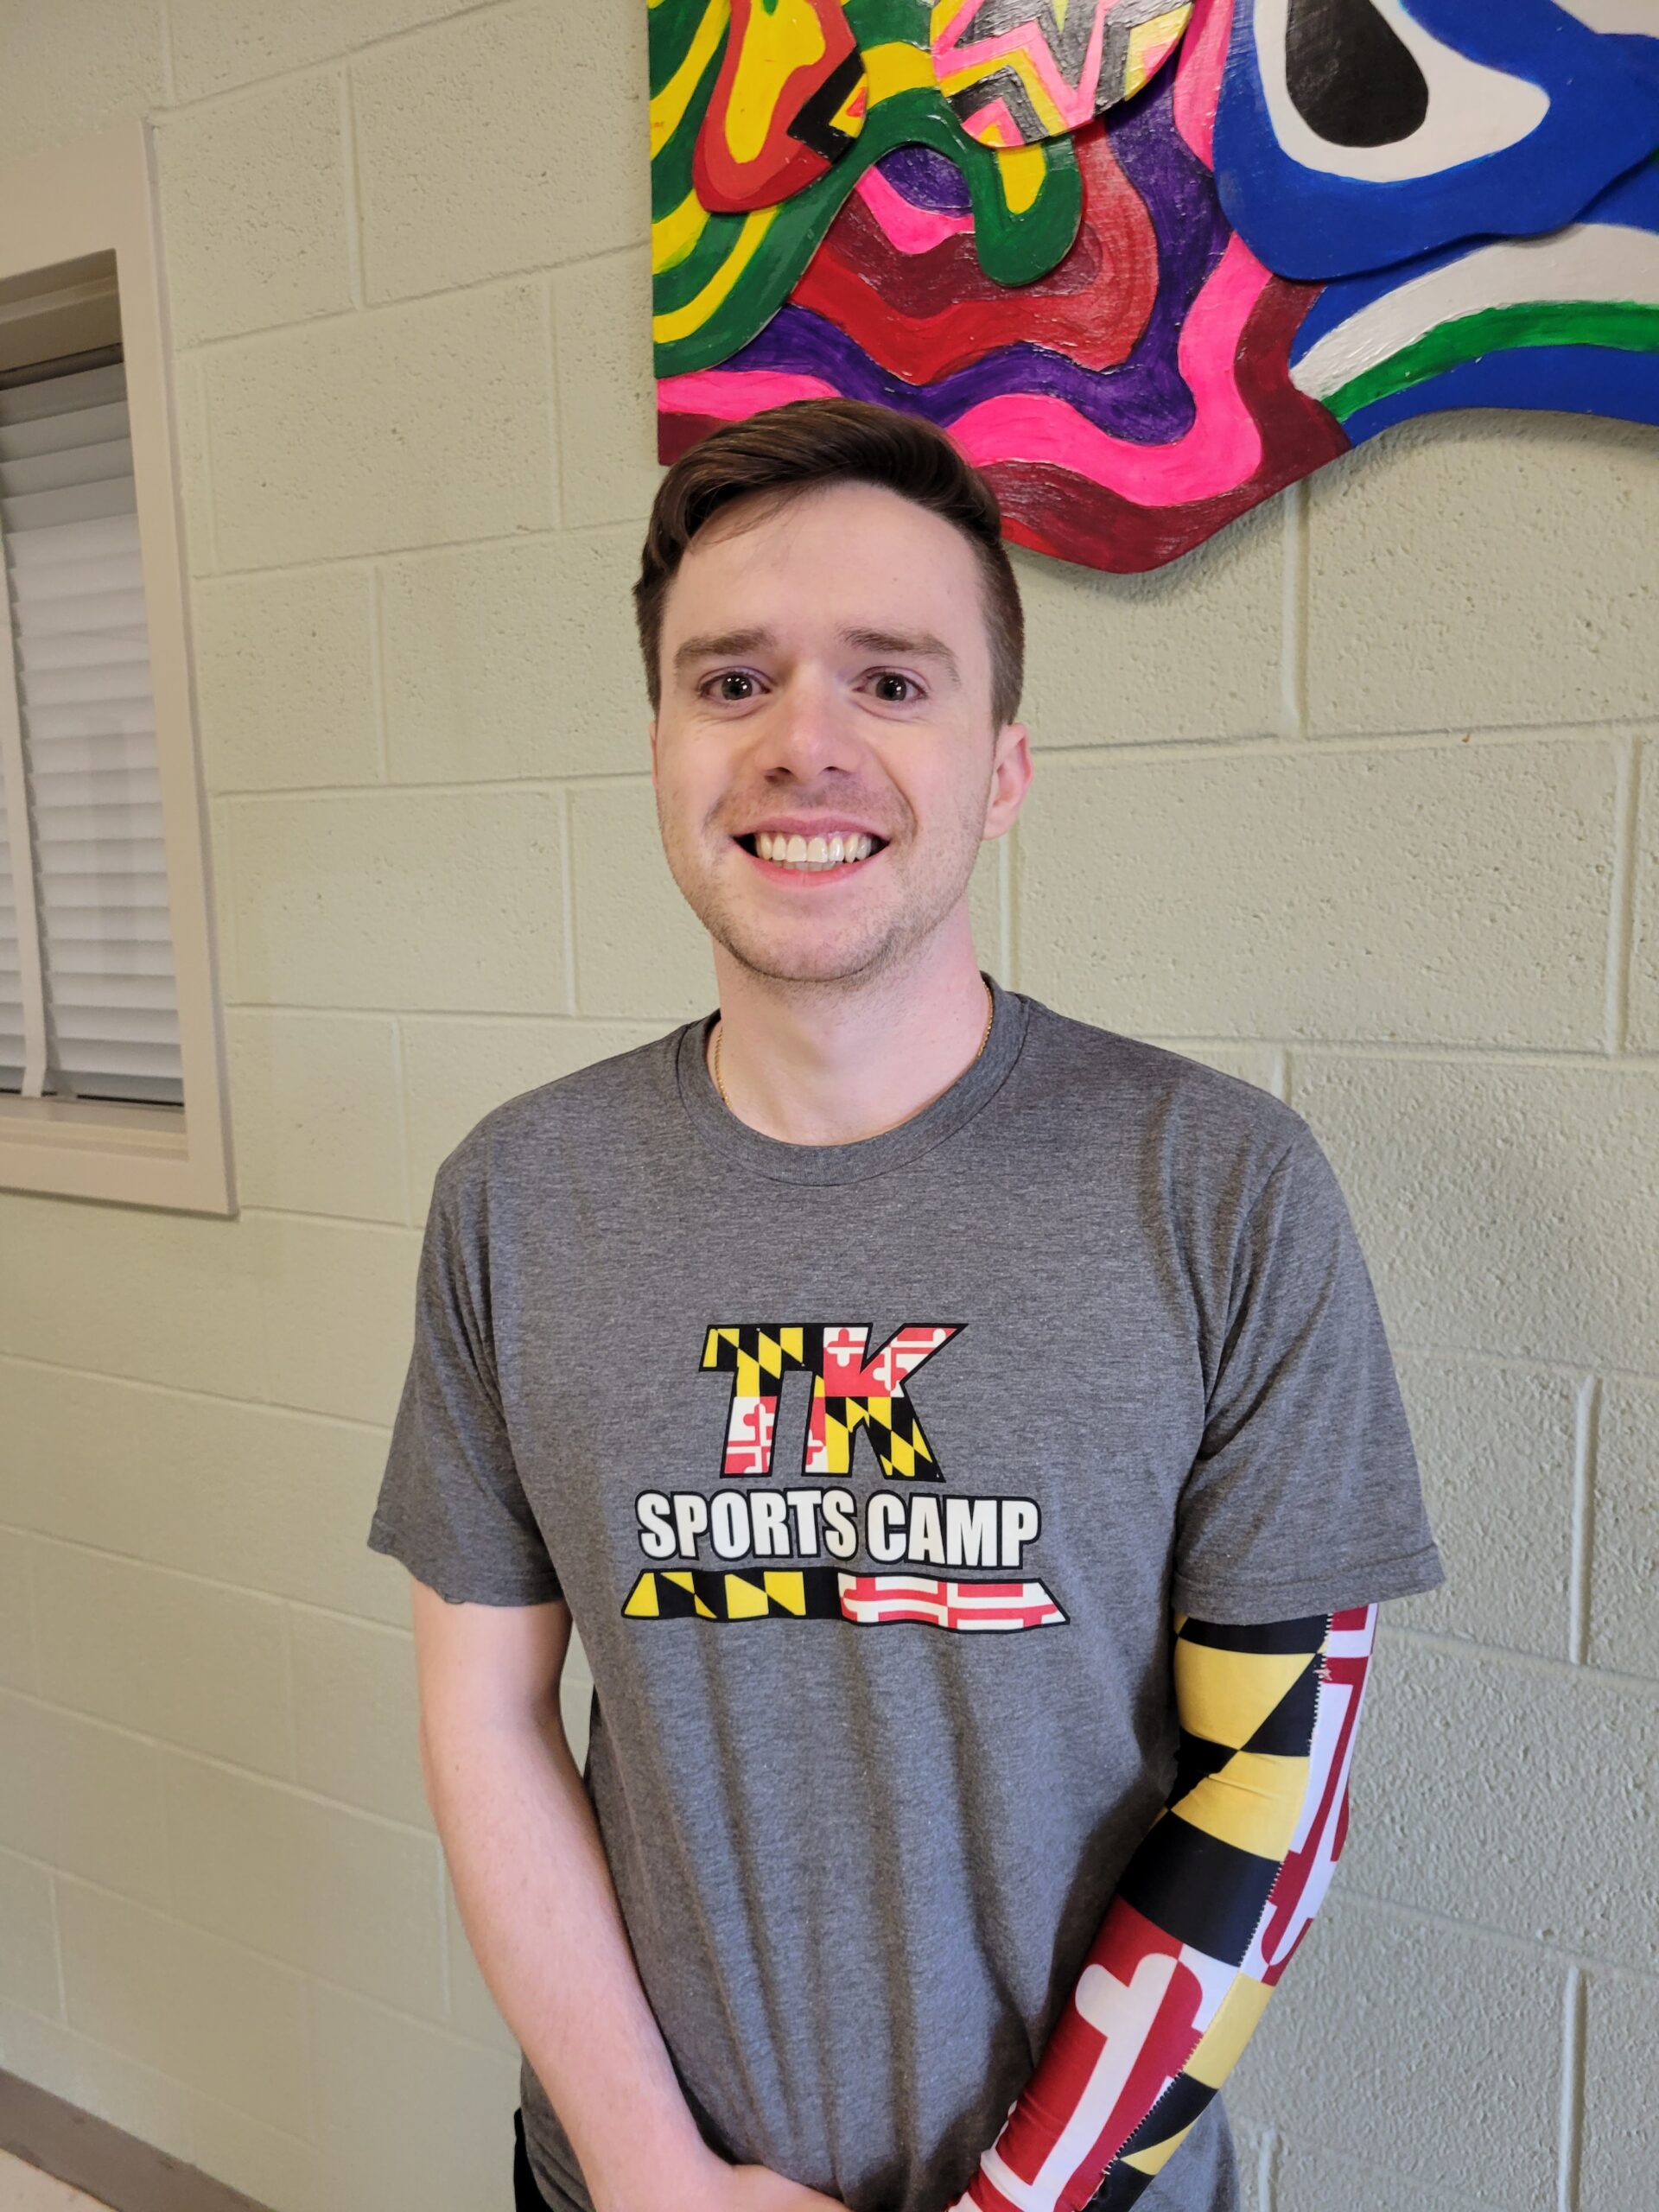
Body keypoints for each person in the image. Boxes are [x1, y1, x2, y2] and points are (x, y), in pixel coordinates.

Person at [367, 397, 1444, 2212]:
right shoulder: (515, 1197)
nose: (805, 743)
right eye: (731, 682)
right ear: (655, 743)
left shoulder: (1225, 1189)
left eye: (891, 680)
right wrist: (658, 2179)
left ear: (1001, 762)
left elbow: (1277, 1788)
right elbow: (486, 1715)